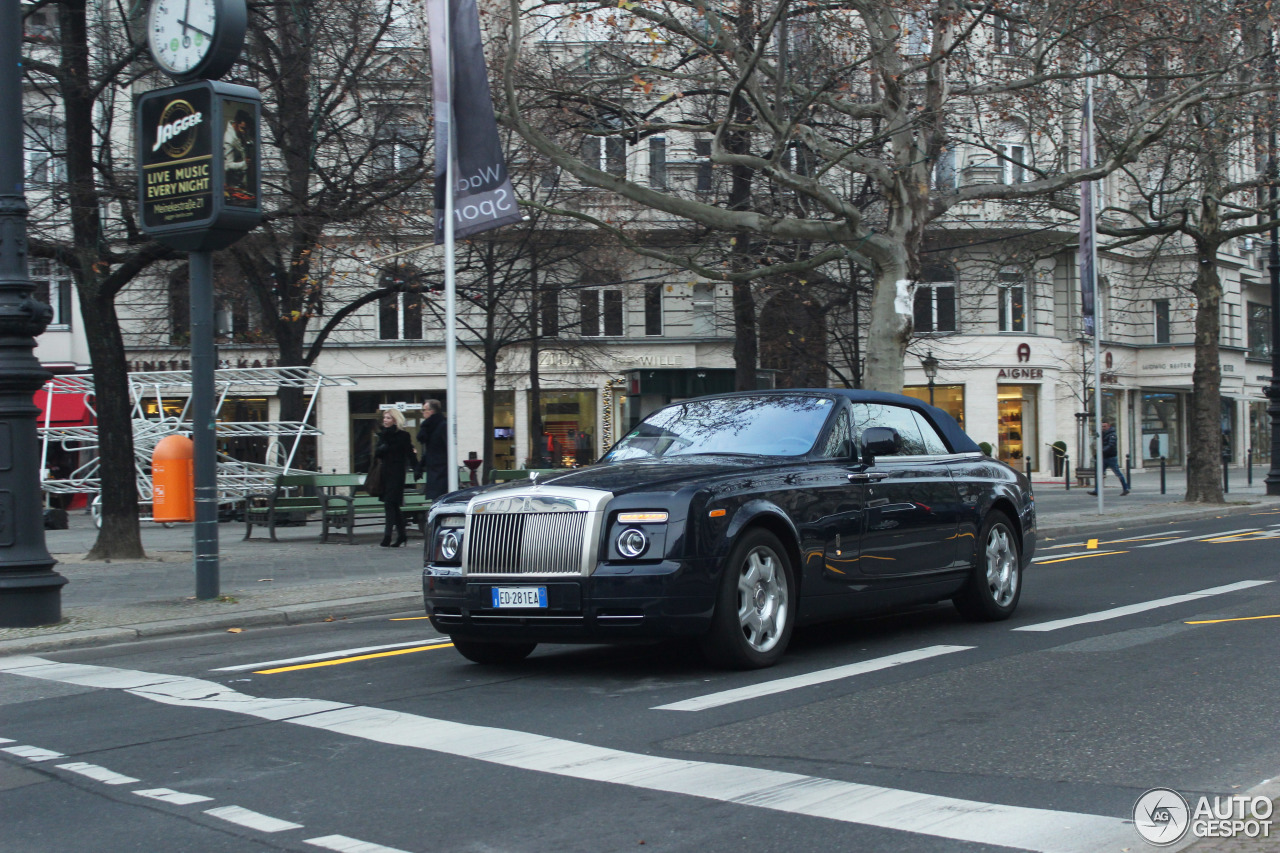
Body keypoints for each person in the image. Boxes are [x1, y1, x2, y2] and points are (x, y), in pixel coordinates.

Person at [375, 408, 416, 547]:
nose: (385, 420)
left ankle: (387, 536)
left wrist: (417, 468)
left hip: (397, 473)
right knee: (394, 505)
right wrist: (382, 448)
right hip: (385, 473)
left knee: (389, 503)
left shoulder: (403, 435)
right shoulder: (382, 435)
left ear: (395, 420)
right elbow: (377, 454)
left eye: (388, 418)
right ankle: (402, 535)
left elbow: (410, 453)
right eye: (384, 418)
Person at [415, 399, 448, 500]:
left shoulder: (442, 425)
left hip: (442, 470)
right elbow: (429, 450)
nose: (422, 412)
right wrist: (420, 466)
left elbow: (447, 447)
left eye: (424, 410)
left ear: (431, 411)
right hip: (434, 469)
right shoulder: (429, 427)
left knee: (440, 498)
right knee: (436, 499)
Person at [1089, 420, 1130, 496]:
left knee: (1118, 473)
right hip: (1103, 457)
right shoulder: (1101, 434)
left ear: (1108, 426)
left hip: (1111, 457)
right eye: (1102, 426)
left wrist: (1101, 451)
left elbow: (1111, 445)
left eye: (1105, 426)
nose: (1103, 428)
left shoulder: (1112, 435)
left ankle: (1125, 488)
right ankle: (1096, 490)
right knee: (1099, 474)